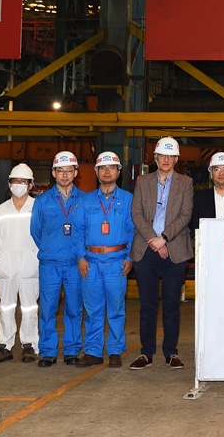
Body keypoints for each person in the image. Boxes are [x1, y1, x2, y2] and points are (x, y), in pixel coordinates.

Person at [130, 137, 194, 371]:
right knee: (147, 304)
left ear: (176, 159)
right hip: (146, 249)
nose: (166, 159)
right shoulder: (142, 181)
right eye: (162, 156)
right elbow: (136, 213)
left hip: (174, 250)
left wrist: (164, 238)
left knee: (171, 304)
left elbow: (185, 215)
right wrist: (154, 240)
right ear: (155, 158)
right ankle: (146, 353)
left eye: (170, 156)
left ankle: (171, 352)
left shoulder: (186, 182)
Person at [73, 151, 134, 368]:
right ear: (97, 172)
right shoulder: (86, 200)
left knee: (116, 309)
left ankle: (115, 350)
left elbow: (133, 230)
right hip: (91, 263)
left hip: (117, 263)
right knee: (92, 310)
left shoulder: (128, 199)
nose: (107, 171)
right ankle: (93, 351)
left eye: (112, 168)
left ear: (118, 172)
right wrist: (80, 257)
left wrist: (130, 257)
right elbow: (77, 231)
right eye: (103, 168)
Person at [31, 151, 87, 367]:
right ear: (53, 173)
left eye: (69, 171)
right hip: (50, 264)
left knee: (74, 308)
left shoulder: (84, 200)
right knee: (48, 309)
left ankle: (72, 349)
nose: (64, 175)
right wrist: (51, 249)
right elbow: (36, 231)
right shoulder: (42, 201)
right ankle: (48, 351)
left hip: (75, 264)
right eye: (60, 171)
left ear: (75, 173)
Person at [0, 163, 40, 364]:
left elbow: (44, 237)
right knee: (6, 307)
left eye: (23, 181)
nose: (19, 185)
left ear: (30, 185)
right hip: (6, 266)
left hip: (30, 265)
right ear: (9, 184)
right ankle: (4, 345)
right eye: (15, 181)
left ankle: (29, 345)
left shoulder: (38, 209)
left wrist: (36, 260)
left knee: (29, 307)